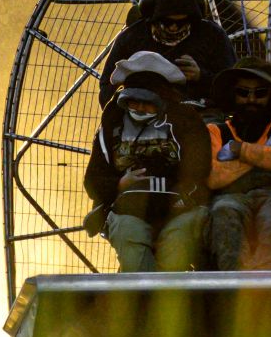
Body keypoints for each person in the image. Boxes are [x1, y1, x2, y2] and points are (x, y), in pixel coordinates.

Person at [83, 51, 212, 272]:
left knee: (176, 252)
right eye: (134, 102)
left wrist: (179, 190)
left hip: (179, 209)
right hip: (127, 211)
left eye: (148, 103)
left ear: (162, 101)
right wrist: (120, 184)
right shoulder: (112, 123)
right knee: (131, 246)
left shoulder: (186, 120)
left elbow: (200, 169)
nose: (140, 108)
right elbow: (93, 180)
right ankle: (140, 289)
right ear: (125, 100)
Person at [204, 58, 271, 270]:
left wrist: (238, 151)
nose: (251, 99)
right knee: (224, 212)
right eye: (243, 92)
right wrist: (268, 149)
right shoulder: (216, 130)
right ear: (233, 94)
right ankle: (234, 285)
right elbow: (214, 177)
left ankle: (263, 285)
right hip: (230, 198)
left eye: (260, 93)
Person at [98, 0, 236, 106]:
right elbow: (106, 89)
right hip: (144, 112)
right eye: (167, 22)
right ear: (152, 14)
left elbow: (233, 88)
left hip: (197, 114)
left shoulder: (212, 36)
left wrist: (200, 76)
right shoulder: (132, 37)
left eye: (181, 22)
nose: (174, 28)